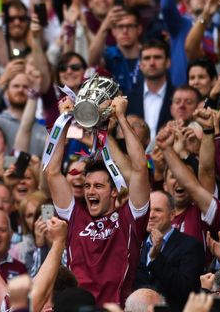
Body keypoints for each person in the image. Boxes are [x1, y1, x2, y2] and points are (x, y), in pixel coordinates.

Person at [46, 96, 151, 305]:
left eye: (98, 186)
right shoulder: (74, 216)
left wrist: (121, 117)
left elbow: (140, 167)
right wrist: (64, 120)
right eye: (87, 186)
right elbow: (52, 172)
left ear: (114, 192)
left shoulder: (130, 220)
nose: (90, 191)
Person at [135, 191, 204, 310]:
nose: (151, 215)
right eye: (148, 210)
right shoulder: (136, 245)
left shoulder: (190, 246)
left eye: (158, 210)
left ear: (172, 215)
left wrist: (156, 259)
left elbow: (187, 291)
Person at [127, 40, 174, 141]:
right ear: (140, 64)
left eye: (157, 57)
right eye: (147, 58)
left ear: (168, 62)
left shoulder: (177, 97)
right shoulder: (128, 99)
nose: (152, 63)